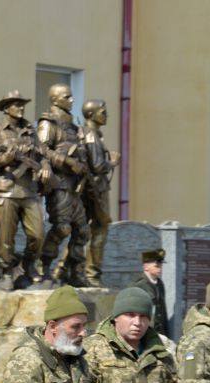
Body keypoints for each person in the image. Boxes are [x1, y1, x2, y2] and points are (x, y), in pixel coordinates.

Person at [0, 90, 48, 290]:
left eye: (22, 104)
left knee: (38, 235)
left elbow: (43, 155)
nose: (21, 108)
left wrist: (44, 166)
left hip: (30, 191)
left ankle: (28, 265)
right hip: (6, 190)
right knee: (6, 237)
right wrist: (5, 159)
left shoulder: (30, 130)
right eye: (16, 104)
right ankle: (6, 272)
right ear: (6, 108)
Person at [37, 84, 90, 288]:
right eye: (67, 97)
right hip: (58, 185)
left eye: (71, 96)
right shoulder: (48, 123)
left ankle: (75, 273)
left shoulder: (74, 127)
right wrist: (68, 162)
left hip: (75, 186)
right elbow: (41, 150)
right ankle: (44, 268)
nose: (72, 100)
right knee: (62, 228)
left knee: (83, 231)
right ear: (55, 100)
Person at [80, 99, 119, 287]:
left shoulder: (91, 134)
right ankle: (92, 274)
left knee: (85, 231)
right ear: (91, 115)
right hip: (97, 190)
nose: (106, 115)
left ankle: (63, 268)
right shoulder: (91, 135)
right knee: (100, 229)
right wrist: (112, 162)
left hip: (92, 189)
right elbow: (97, 166)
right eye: (103, 112)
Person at [129, 249, 170, 338]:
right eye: (157, 265)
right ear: (146, 266)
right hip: (145, 333)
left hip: (159, 333)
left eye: (161, 265)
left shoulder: (159, 283)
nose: (160, 268)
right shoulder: (138, 285)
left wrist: (166, 333)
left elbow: (163, 311)